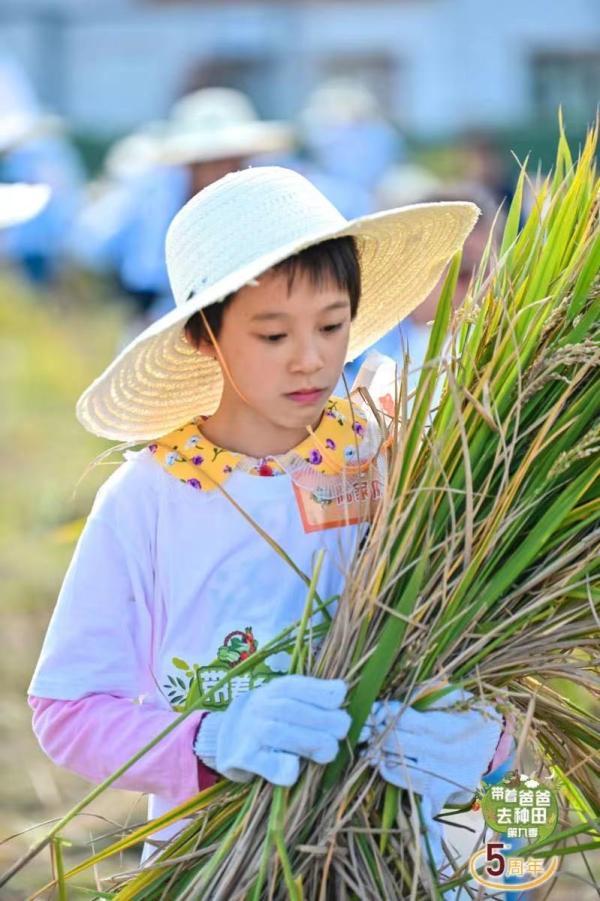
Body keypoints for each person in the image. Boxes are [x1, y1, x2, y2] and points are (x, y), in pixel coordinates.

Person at [28, 166, 511, 875]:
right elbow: (66, 711)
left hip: (410, 850)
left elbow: (493, 649)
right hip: (222, 863)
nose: (311, 358)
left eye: (331, 325)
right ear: (204, 338)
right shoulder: (149, 497)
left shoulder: (399, 458)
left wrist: (485, 743)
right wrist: (212, 739)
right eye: (272, 333)